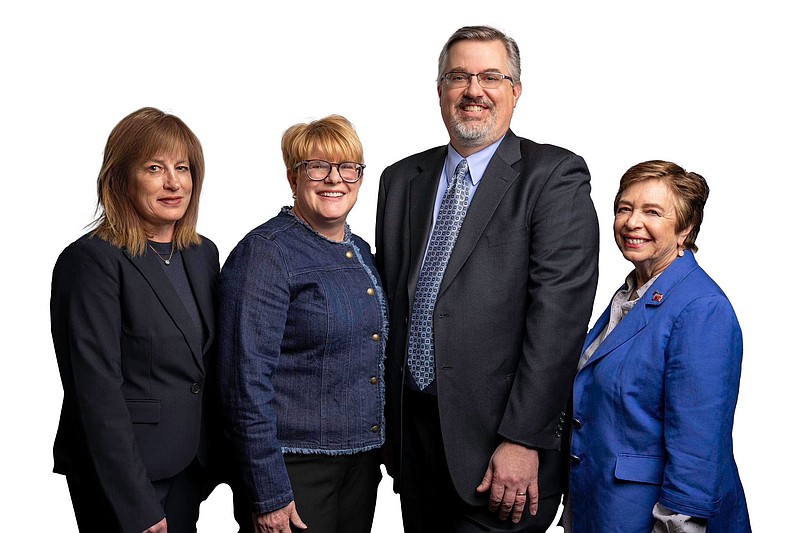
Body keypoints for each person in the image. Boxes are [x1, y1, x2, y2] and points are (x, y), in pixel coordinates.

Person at [375, 25, 600, 532]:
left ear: (515, 91)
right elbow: (394, 305)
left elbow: (558, 321)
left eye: (491, 76)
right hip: (416, 448)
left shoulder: (553, 176)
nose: (474, 90)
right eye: (459, 76)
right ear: (439, 90)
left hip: (501, 454)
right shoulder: (399, 181)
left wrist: (525, 439)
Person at [50, 107, 221, 533]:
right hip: (124, 477)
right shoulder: (91, 261)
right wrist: (135, 506)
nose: (173, 182)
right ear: (121, 179)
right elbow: (95, 392)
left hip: (188, 465)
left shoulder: (202, 254)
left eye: (183, 168)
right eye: (154, 168)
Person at [218, 114, 387, 533]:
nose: (335, 179)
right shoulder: (265, 253)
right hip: (293, 469)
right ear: (294, 178)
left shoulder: (361, 251)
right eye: (318, 166)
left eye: (348, 167)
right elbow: (243, 382)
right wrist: (269, 492)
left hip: (359, 465)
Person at [566, 160, 751, 532]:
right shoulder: (631, 293)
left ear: (686, 229)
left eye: (652, 212)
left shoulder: (702, 308)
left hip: (655, 520)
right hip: (604, 508)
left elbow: (698, 447)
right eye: (624, 208)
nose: (632, 222)